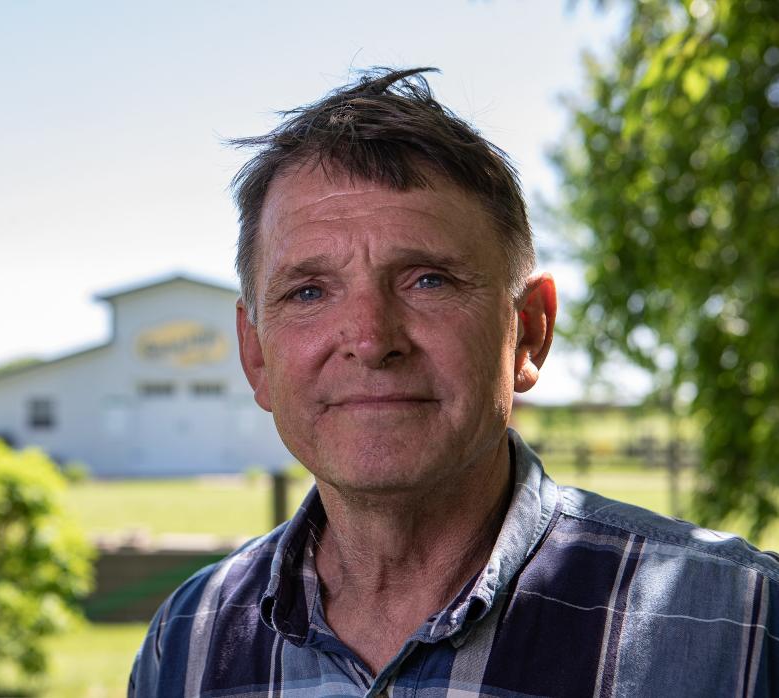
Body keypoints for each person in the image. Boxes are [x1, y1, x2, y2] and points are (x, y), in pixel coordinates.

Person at [129, 67, 779, 697]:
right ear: (255, 354)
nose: (369, 339)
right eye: (307, 291)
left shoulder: (741, 624)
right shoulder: (188, 640)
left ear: (527, 331)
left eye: (427, 280)